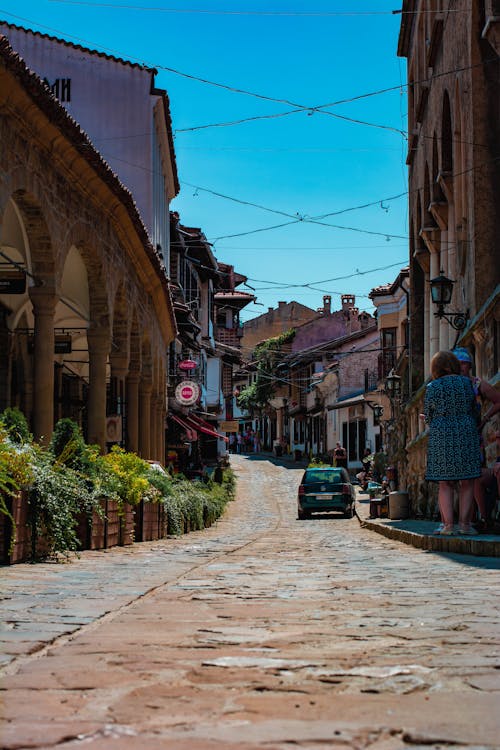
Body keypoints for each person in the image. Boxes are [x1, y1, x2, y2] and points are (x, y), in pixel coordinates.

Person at [424, 350, 482, 535]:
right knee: (467, 480)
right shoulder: (466, 383)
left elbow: (429, 415)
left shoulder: (432, 387)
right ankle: (465, 525)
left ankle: (448, 525)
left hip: (442, 434)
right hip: (465, 430)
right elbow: (474, 409)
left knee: (445, 483)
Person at [452, 347, 500, 524]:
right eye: (459, 364)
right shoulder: (449, 386)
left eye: (465, 364)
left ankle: (481, 518)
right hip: (454, 439)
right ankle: (469, 519)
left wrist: (485, 419)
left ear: (470, 366)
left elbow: (498, 400)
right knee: (460, 480)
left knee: (472, 477)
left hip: (473, 438)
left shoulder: (476, 384)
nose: (462, 367)